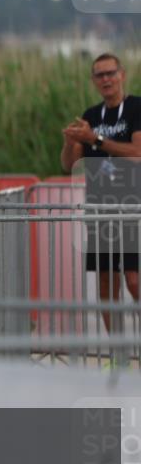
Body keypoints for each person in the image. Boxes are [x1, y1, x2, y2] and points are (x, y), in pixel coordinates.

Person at [61, 52, 140, 328]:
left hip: (132, 206)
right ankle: (116, 353)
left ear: (122, 74)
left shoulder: (136, 108)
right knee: (106, 282)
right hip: (100, 207)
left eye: (110, 73)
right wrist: (71, 141)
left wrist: (96, 139)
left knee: (133, 278)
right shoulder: (90, 116)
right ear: (94, 81)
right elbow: (70, 164)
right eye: (100, 75)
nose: (106, 79)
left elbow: (137, 152)